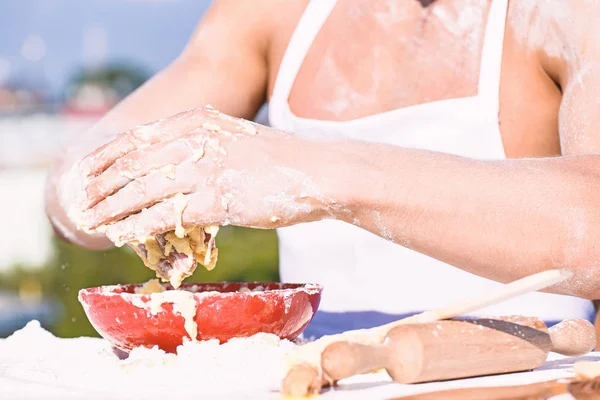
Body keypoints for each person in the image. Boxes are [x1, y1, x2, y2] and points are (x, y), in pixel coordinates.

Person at [45, 0, 600, 339]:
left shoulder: (564, 12)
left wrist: (310, 172)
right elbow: (71, 189)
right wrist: (96, 192)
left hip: (524, 376)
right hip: (314, 377)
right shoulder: (272, 13)